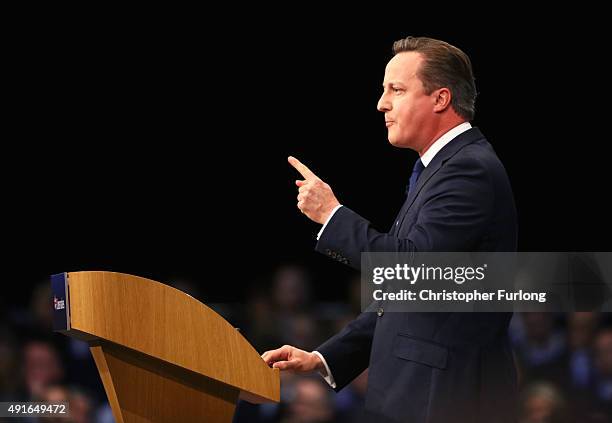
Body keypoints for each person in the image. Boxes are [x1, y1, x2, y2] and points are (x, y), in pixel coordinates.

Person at [262, 36, 518, 423]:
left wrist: (332, 215)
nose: (382, 103)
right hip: (419, 394)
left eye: (396, 89)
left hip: (443, 400)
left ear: (440, 99)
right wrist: (322, 358)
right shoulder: (441, 169)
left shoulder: (469, 170)